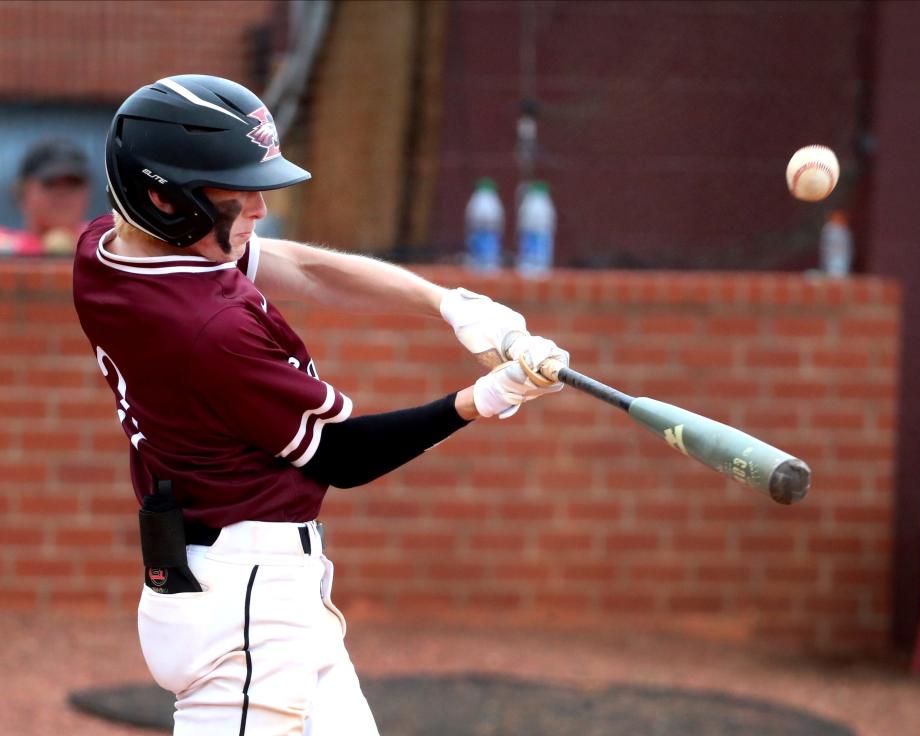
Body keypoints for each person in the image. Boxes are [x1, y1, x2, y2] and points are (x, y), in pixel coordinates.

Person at [72, 74, 569, 735]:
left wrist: (448, 304)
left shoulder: (110, 248)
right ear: (164, 198)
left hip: (246, 587)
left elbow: (304, 270)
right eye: (235, 191)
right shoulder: (209, 330)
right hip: (245, 608)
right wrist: (482, 399)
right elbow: (343, 455)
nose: (259, 208)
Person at [0, 138, 91, 256]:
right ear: (22, 191)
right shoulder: (7, 247)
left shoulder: (108, 241)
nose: (62, 192)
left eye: (73, 183)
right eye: (50, 183)